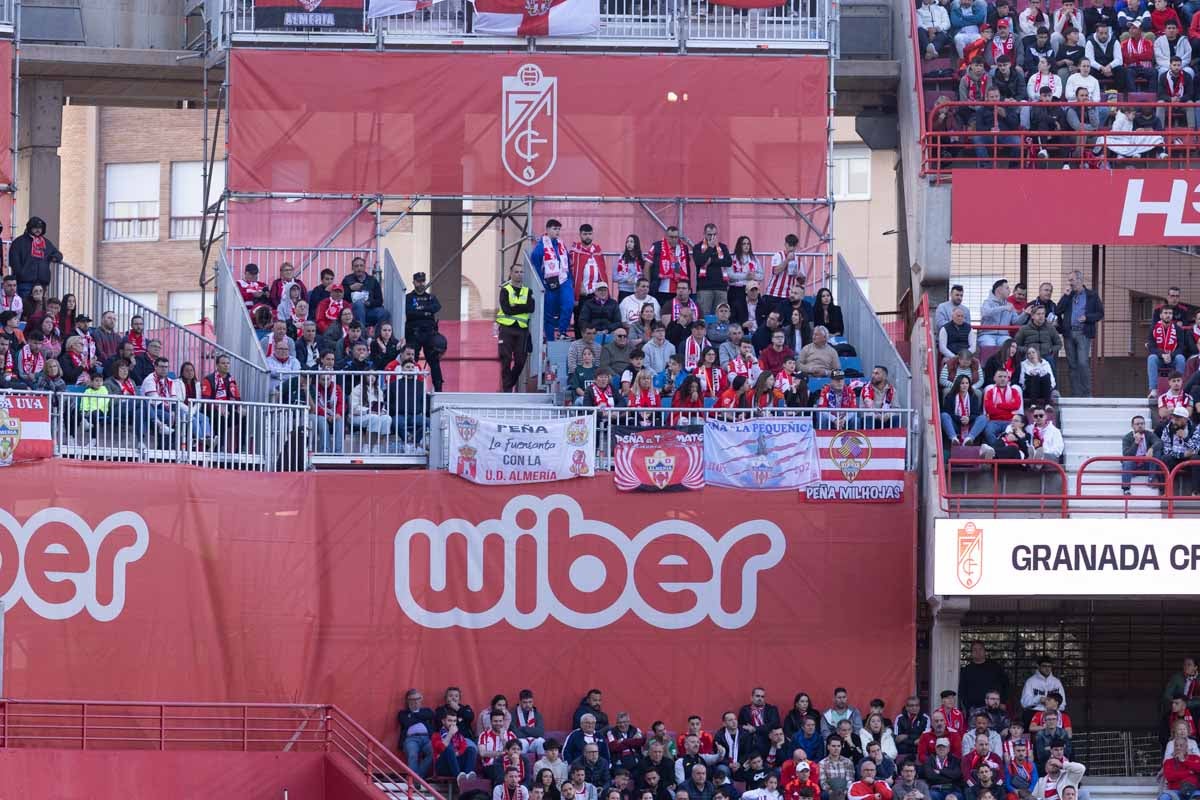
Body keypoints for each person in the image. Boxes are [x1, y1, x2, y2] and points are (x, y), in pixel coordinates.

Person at [404, 271, 444, 392]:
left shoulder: (431, 297)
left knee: (434, 363)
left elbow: (436, 307)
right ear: (414, 282)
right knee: (411, 361)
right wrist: (426, 311)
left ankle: (438, 390)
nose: (421, 284)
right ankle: (410, 388)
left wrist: (420, 309)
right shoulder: (408, 297)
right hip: (413, 334)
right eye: (418, 281)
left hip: (429, 334)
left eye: (422, 281)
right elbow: (409, 312)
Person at [498, 263, 534, 393]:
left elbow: (531, 308)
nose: (519, 274)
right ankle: (507, 389)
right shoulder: (505, 290)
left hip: (521, 330)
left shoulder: (528, 291)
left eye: (521, 272)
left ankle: (509, 383)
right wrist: (523, 307)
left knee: (520, 361)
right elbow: (507, 309)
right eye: (516, 272)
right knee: (505, 359)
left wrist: (515, 306)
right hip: (506, 328)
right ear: (511, 273)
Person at [8, 216, 61, 299]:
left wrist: (54, 257)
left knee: (40, 306)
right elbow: (14, 261)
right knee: (25, 306)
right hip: (25, 283)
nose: (38, 230)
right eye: (35, 227)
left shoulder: (46, 242)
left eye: (40, 228)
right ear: (30, 228)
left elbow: (58, 254)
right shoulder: (19, 242)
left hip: (42, 283)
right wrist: (21, 274)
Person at [648, 226, 692, 308]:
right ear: (666, 236)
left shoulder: (684, 248)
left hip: (678, 290)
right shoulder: (657, 246)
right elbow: (647, 266)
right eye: (671, 237)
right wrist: (648, 284)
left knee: (677, 312)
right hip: (660, 289)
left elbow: (686, 268)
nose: (674, 239)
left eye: (676, 237)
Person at [434, 710, 479, 783]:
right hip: (443, 767)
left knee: (471, 749)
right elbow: (441, 748)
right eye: (450, 721)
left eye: (454, 721)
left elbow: (464, 747)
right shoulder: (436, 735)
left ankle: (467, 776)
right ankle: (459, 778)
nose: (452, 724)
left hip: (456, 763)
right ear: (443, 721)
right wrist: (450, 734)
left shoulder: (458, 736)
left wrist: (457, 753)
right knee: (449, 748)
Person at [982, 369, 1023, 445]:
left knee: (1015, 433)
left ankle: (999, 448)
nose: (1003, 379)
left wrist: (998, 405)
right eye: (1000, 376)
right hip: (994, 421)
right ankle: (998, 448)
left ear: (1008, 378)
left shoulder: (1014, 391)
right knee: (988, 431)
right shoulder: (990, 392)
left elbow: (1016, 406)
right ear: (994, 378)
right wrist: (1008, 408)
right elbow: (989, 410)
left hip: (1010, 421)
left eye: (1005, 377)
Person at [1014, 305, 1062, 371]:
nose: (1041, 316)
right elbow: (1016, 345)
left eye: (1043, 314)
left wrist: (1051, 350)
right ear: (1032, 316)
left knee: (1051, 363)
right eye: (1038, 314)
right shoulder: (1024, 329)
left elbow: (1058, 344)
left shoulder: (1051, 328)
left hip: (1046, 355)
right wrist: (1026, 350)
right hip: (1029, 356)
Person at [1021, 658, 1067, 723]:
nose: (1047, 668)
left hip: (1054, 712)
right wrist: (1038, 699)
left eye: (1049, 666)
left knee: (1064, 716)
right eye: (1044, 666)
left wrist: (1054, 707)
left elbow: (1063, 703)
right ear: (1038, 666)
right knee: (1027, 715)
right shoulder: (1030, 681)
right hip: (1036, 711)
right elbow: (1024, 703)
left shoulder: (1056, 682)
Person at [765, 234, 804, 309]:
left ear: (796, 246)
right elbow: (775, 271)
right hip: (774, 294)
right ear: (785, 244)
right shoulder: (778, 255)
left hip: (789, 295)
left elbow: (802, 280)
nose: (792, 248)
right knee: (773, 315)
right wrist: (787, 260)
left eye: (794, 245)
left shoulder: (798, 260)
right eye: (790, 245)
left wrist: (799, 276)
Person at [727, 237, 763, 317]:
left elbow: (761, 275)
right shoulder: (732, 258)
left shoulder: (754, 259)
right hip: (736, 289)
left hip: (752, 289)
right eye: (744, 244)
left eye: (748, 244)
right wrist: (745, 276)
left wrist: (754, 276)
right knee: (736, 313)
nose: (746, 246)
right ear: (739, 245)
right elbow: (730, 275)